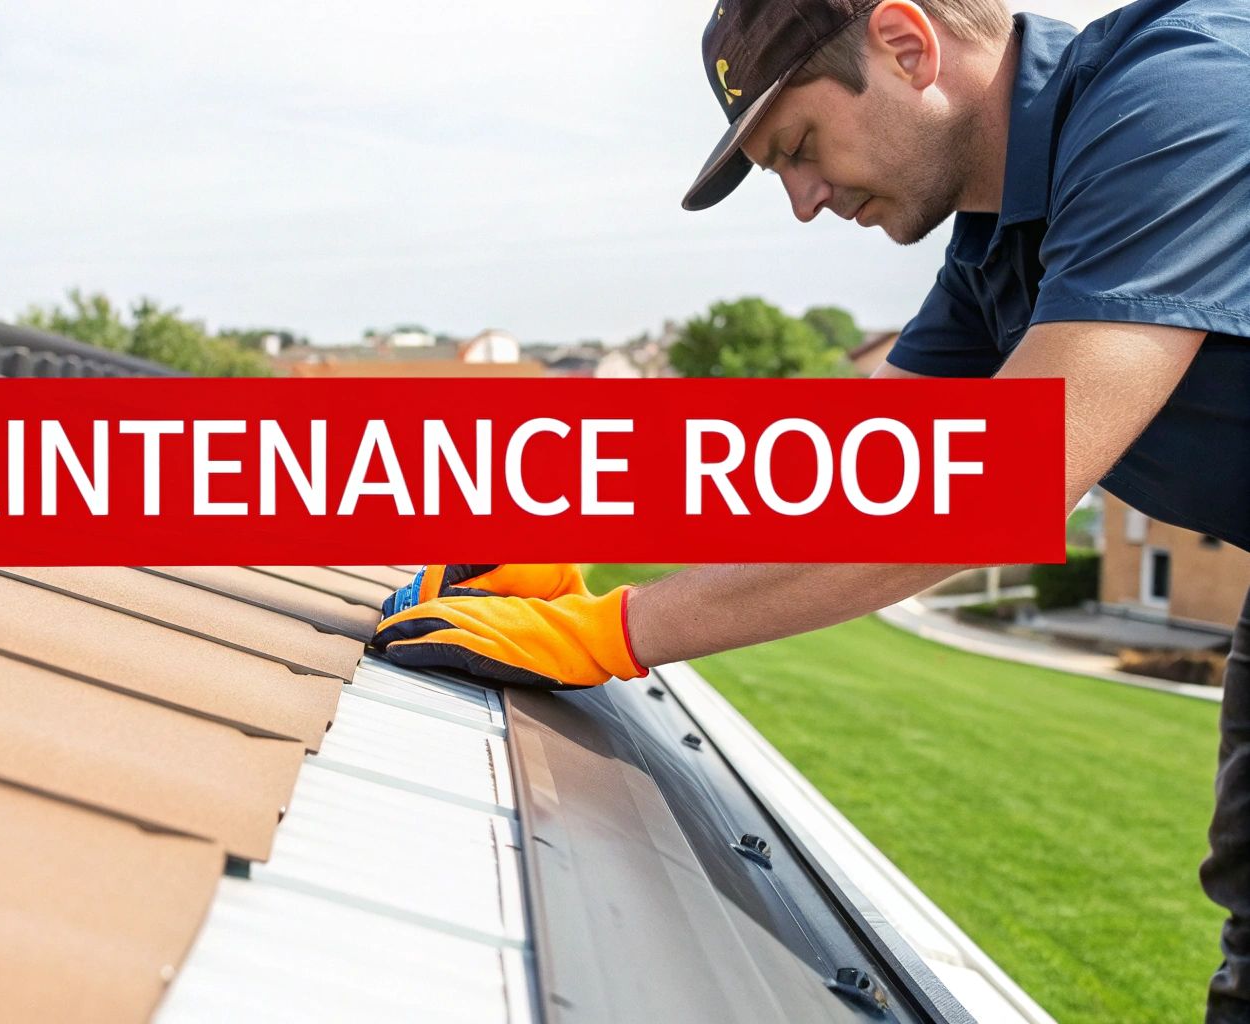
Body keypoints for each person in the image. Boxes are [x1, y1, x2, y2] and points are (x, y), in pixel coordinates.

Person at [370, 0, 1250, 1016]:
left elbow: (990, 485)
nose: (800, 201)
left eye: (796, 147)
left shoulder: (1185, 101)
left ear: (906, 45)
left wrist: (611, 630)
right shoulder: (997, 245)